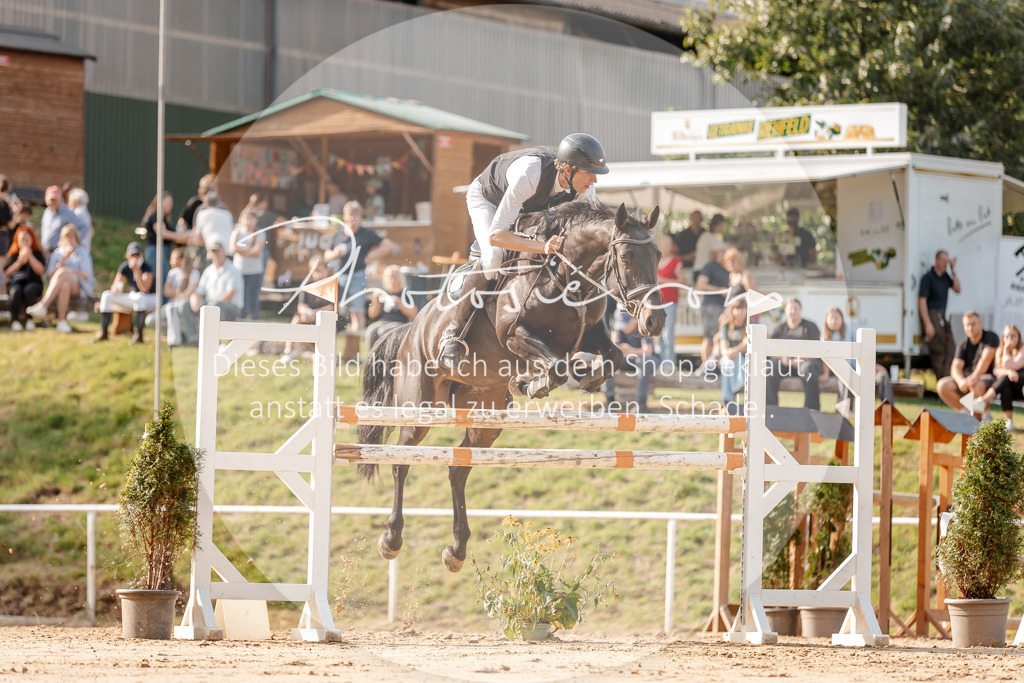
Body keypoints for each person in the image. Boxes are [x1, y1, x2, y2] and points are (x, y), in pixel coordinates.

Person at [439, 133, 609, 371]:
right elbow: (497, 235)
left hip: (528, 206)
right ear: (568, 170)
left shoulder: (584, 190)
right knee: (494, 257)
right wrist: (542, 247)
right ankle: (453, 333)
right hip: (488, 199)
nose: (595, 180)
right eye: (589, 173)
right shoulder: (531, 173)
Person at [325, 201, 395, 331]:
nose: (353, 218)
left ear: (360, 217)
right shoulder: (338, 234)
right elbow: (326, 255)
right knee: (336, 311)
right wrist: (335, 253)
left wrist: (371, 256)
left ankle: (356, 340)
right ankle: (335, 339)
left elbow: (388, 245)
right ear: (344, 216)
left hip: (357, 276)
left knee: (357, 312)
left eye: (356, 215)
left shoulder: (366, 233)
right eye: (350, 214)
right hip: (339, 277)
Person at [165, 241, 242, 347]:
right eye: (213, 252)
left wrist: (212, 306)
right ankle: (194, 340)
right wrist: (194, 299)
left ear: (224, 252)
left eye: (217, 251)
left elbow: (230, 294)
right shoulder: (209, 270)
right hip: (211, 304)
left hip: (231, 307)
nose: (215, 254)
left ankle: (214, 341)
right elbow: (199, 291)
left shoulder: (233, 269)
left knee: (216, 306)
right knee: (185, 304)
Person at [820, 306, 895, 416]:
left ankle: (889, 411)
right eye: (831, 318)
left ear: (842, 319)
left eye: (836, 318)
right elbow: (825, 358)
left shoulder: (852, 331)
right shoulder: (825, 337)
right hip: (839, 371)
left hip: (861, 367)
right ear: (826, 320)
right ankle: (847, 409)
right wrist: (826, 373)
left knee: (882, 376)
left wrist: (873, 366)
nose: (833, 321)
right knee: (847, 374)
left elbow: (866, 350)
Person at [27, 224, 95, 333]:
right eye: (67, 237)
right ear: (62, 238)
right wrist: (63, 259)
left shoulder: (83, 253)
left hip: (79, 286)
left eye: (71, 236)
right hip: (59, 287)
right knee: (64, 285)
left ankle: (44, 305)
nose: (69, 239)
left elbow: (87, 276)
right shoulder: (57, 253)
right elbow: (50, 275)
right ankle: (62, 322)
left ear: (76, 238)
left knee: (63, 272)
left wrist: (70, 271)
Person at [765, 298, 824, 410]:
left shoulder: (810, 326)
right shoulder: (779, 328)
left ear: (800, 310)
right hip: (784, 365)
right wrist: (782, 358)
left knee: (809, 368)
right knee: (769, 366)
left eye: (795, 308)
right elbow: (771, 352)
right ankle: (771, 409)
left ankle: (812, 410)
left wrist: (800, 358)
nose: (792, 311)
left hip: (804, 363)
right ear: (785, 310)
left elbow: (817, 351)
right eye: (790, 308)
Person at [936, 311, 998, 416]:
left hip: (987, 377)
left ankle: (984, 416)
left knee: (976, 385)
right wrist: (960, 381)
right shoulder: (962, 344)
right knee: (942, 385)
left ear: (980, 323)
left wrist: (974, 377)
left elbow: (985, 360)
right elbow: (955, 367)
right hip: (968, 378)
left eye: (973, 324)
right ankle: (965, 413)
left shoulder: (991, 337)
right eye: (967, 325)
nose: (970, 328)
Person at [93, 242, 156, 344]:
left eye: (137, 255)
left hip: (150, 298)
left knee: (140, 297)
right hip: (134, 296)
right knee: (107, 295)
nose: (135, 258)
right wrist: (115, 289)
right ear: (127, 256)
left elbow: (144, 288)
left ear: (141, 255)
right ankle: (104, 332)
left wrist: (137, 271)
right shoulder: (125, 267)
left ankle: (139, 335)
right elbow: (115, 284)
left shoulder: (147, 267)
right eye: (132, 255)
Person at [602, 305, 656, 413]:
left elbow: (648, 351)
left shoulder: (644, 326)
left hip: (646, 361)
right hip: (628, 360)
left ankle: (641, 404)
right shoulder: (619, 327)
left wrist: (630, 350)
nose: (624, 328)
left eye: (626, 324)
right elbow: (613, 347)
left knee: (644, 361)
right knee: (607, 359)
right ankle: (610, 401)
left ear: (634, 320)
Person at [281, 256, 336, 363]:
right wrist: (305, 312)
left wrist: (314, 314)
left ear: (327, 269)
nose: (319, 274)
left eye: (321, 270)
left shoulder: (332, 285)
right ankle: (288, 351)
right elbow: (301, 305)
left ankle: (327, 354)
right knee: (296, 320)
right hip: (309, 317)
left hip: (327, 318)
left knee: (330, 323)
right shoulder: (307, 285)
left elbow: (332, 308)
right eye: (316, 271)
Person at [918, 249, 961, 380]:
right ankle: (941, 381)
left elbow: (957, 289)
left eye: (947, 261)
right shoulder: (928, 277)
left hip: (942, 315)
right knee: (938, 350)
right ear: (936, 260)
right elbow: (922, 301)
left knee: (951, 348)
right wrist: (927, 324)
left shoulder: (945, 277)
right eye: (943, 261)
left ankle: (947, 378)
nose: (945, 264)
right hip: (932, 314)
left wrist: (953, 271)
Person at [976, 325, 1024, 431]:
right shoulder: (999, 350)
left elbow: (1010, 366)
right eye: (1007, 336)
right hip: (1007, 385)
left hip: (1021, 387)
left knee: (1006, 378)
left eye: (1013, 336)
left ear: (1018, 337)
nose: (1010, 339)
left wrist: (1006, 351)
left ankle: (984, 400)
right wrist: (1009, 372)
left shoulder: (1022, 350)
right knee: (1006, 387)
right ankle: (1008, 422)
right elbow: (996, 370)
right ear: (1003, 338)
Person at [366, 265, 418, 349]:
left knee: (383, 331)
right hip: (383, 321)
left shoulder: (406, 294)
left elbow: (413, 314)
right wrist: (375, 299)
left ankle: (385, 356)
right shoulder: (383, 293)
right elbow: (372, 315)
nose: (391, 280)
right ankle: (373, 355)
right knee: (371, 330)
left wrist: (399, 302)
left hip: (400, 323)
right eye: (389, 277)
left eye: (394, 277)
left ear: (400, 278)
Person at [3, 226, 46, 331]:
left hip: (34, 283)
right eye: (22, 239)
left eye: (27, 239)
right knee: (15, 291)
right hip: (16, 283)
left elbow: (41, 271)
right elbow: (7, 272)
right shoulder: (13, 254)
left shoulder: (37, 253)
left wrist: (30, 257)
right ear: (17, 240)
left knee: (29, 289)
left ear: (32, 239)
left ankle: (29, 320)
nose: (24, 242)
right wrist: (19, 262)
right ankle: (14, 320)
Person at [694, 250, 731, 363]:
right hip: (712, 306)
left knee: (718, 337)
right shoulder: (710, 266)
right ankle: (707, 366)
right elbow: (700, 284)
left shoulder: (727, 268)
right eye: (721, 253)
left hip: (723, 307)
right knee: (711, 339)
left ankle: (714, 366)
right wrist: (719, 290)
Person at [142, 191, 190, 276]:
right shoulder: (155, 216)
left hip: (163, 250)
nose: (170, 206)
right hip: (156, 250)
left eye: (171, 203)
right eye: (168, 203)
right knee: (160, 277)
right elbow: (163, 233)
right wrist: (181, 236)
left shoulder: (164, 218)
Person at [230, 210, 266, 321]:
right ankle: (241, 316)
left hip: (255, 270)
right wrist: (250, 250)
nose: (248, 221)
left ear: (256, 220)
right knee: (241, 295)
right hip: (239, 269)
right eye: (246, 218)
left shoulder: (260, 233)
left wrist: (242, 250)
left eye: (251, 218)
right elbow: (233, 248)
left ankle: (254, 317)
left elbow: (257, 252)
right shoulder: (237, 232)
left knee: (253, 296)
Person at [655, 234, 684, 366]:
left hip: (670, 302)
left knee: (668, 334)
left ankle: (669, 364)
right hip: (656, 303)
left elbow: (682, 281)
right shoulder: (655, 261)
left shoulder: (675, 262)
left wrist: (664, 281)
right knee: (660, 335)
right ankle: (663, 363)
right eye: (664, 245)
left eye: (669, 245)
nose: (666, 247)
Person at [718, 297, 747, 416]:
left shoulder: (750, 325)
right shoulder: (726, 325)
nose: (740, 312)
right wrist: (731, 352)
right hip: (729, 359)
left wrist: (734, 351)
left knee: (737, 360)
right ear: (732, 310)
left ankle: (726, 401)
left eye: (743, 309)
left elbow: (747, 346)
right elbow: (723, 348)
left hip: (745, 360)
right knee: (727, 362)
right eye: (737, 309)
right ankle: (738, 387)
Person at [40, 185, 88, 252]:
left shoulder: (67, 212)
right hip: (46, 251)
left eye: (55, 200)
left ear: (60, 199)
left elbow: (84, 227)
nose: (53, 202)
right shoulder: (47, 212)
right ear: (46, 200)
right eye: (51, 200)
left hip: (60, 251)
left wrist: (73, 240)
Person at [194, 190, 235, 259]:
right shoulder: (227, 214)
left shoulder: (202, 214)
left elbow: (198, 236)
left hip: (213, 253)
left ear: (205, 204)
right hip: (228, 252)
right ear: (218, 203)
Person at [672, 210, 705, 279]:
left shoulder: (705, 234)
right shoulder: (683, 235)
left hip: (702, 270)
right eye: (695, 218)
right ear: (691, 219)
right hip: (685, 269)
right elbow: (673, 255)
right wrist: (685, 257)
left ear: (702, 220)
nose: (696, 221)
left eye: (699, 219)